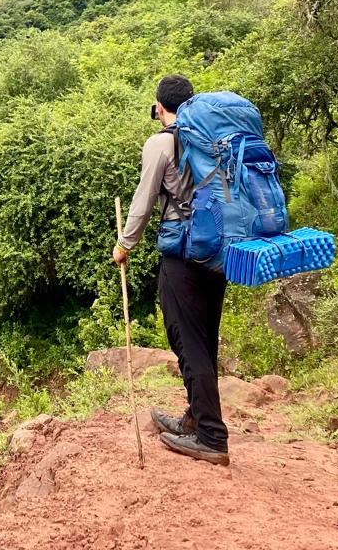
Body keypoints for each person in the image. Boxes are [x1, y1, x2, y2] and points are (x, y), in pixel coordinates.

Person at [112, 74, 230, 466]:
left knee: (186, 339)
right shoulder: (213, 138)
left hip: (182, 254)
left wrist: (125, 243)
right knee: (204, 338)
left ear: (158, 106)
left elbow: (144, 200)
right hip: (219, 251)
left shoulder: (161, 142)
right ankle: (195, 419)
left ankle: (212, 437)